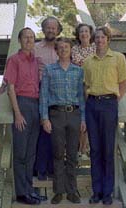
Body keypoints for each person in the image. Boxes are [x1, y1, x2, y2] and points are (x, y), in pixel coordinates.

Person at [82, 26, 126, 205]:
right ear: (94, 40)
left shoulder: (118, 58)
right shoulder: (88, 61)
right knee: (95, 150)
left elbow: (123, 83)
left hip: (110, 104)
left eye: (103, 37)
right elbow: (86, 85)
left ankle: (107, 193)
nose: (100, 40)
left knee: (108, 150)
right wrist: (90, 101)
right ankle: (97, 192)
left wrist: (114, 102)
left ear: (108, 40)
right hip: (92, 104)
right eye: (98, 37)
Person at [40, 37, 86, 204]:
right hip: (56, 115)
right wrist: (45, 118)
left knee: (72, 155)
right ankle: (59, 191)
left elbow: (81, 97)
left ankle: (72, 191)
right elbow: (44, 96)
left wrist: (83, 119)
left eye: (66, 47)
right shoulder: (49, 70)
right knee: (58, 154)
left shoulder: (78, 71)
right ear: (56, 51)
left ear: (70, 50)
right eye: (60, 48)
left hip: (74, 115)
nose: (64, 50)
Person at [3, 27, 44, 205]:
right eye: (25, 37)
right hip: (22, 105)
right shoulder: (14, 60)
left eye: (32, 37)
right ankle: (21, 193)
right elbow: (10, 88)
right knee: (20, 152)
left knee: (31, 154)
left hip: (36, 105)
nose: (29, 40)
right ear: (20, 40)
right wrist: (17, 114)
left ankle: (29, 190)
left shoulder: (36, 61)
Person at [34, 16, 63, 180]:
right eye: (48, 27)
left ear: (58, 30)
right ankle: (41, 169)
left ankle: (53, 168)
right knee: (43, 130)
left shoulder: (63, 48)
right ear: (43, 29)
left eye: (54, 28)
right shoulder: (36, 48)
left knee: (56, 131)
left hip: (58, 94)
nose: (51, 30)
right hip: (40, 92)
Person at [71, 23, 96, 160]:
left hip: (93, 85)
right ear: (78, 35)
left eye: (86, 31)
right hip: (78, 85)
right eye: (81, 32)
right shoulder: (75, 49)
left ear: (90, 34)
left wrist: (86, 63)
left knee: (89, 116)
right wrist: (89, 63)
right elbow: (77, 62)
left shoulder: (95, 47)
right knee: (81, 115)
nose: (84, 34)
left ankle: (85, 148)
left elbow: (88, 63)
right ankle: (80, 149)